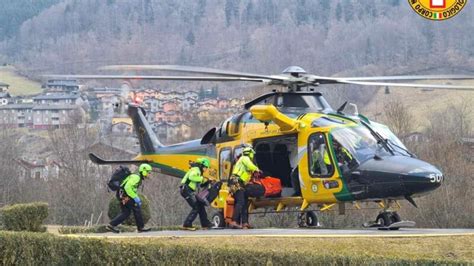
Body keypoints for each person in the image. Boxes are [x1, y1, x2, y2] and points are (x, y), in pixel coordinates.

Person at [106, 163, 153, 233]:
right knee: (136, 208)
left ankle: (111, 225)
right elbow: (127, 187)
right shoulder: (136, 177)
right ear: (144, 171)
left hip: (121, 194)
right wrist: (135, 197)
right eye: (149, 172)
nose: (150, 174)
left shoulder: (137, 177)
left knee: (126, 212)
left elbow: (132, 189)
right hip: (125, 194)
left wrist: (134, 196)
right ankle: (140, 228)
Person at [229, 145, 260, 229]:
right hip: (236, 181)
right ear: (250, 153)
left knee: (244, 202)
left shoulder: (243, 161)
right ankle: (234, 221)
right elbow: (250, 165)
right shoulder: (244, 158)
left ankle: (245, 223)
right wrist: (257, 169)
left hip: (240, 182)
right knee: (240, 201)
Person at [180, 157, 213, 231]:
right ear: (201, 165)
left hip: (189, 190)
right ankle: (187, 224)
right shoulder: (196, 169)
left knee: (200, 205)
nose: (206, 169)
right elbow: (192, 177)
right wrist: (202, 178)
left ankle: (205, 224)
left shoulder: (198, 171)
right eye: (205, 167)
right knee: (196, 207)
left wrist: (207, 181)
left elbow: (200, 184)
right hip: (186, 189)